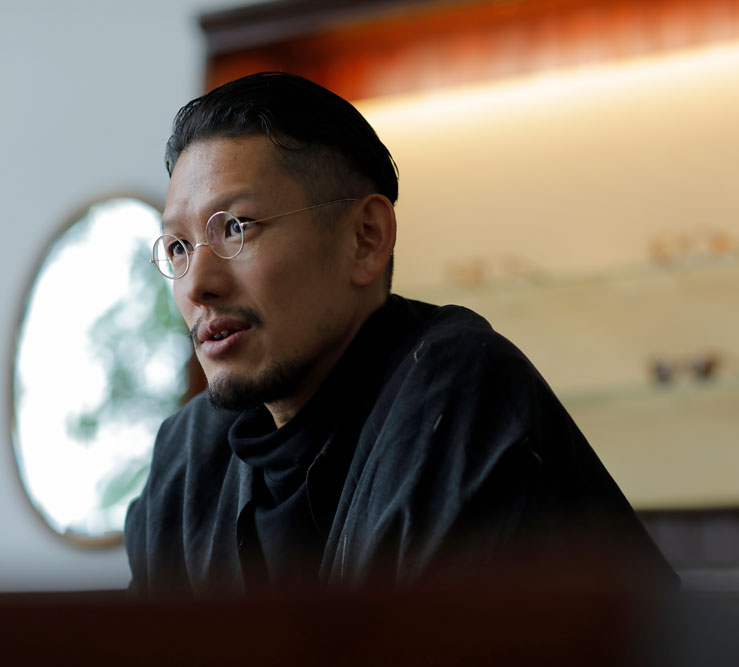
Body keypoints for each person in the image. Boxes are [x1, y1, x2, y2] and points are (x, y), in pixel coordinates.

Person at [124, 72, 676, 597]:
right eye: (178, 247)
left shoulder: (458, 389)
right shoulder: (188, 457)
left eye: (236, 227)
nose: (197, 284)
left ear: (365, 238)